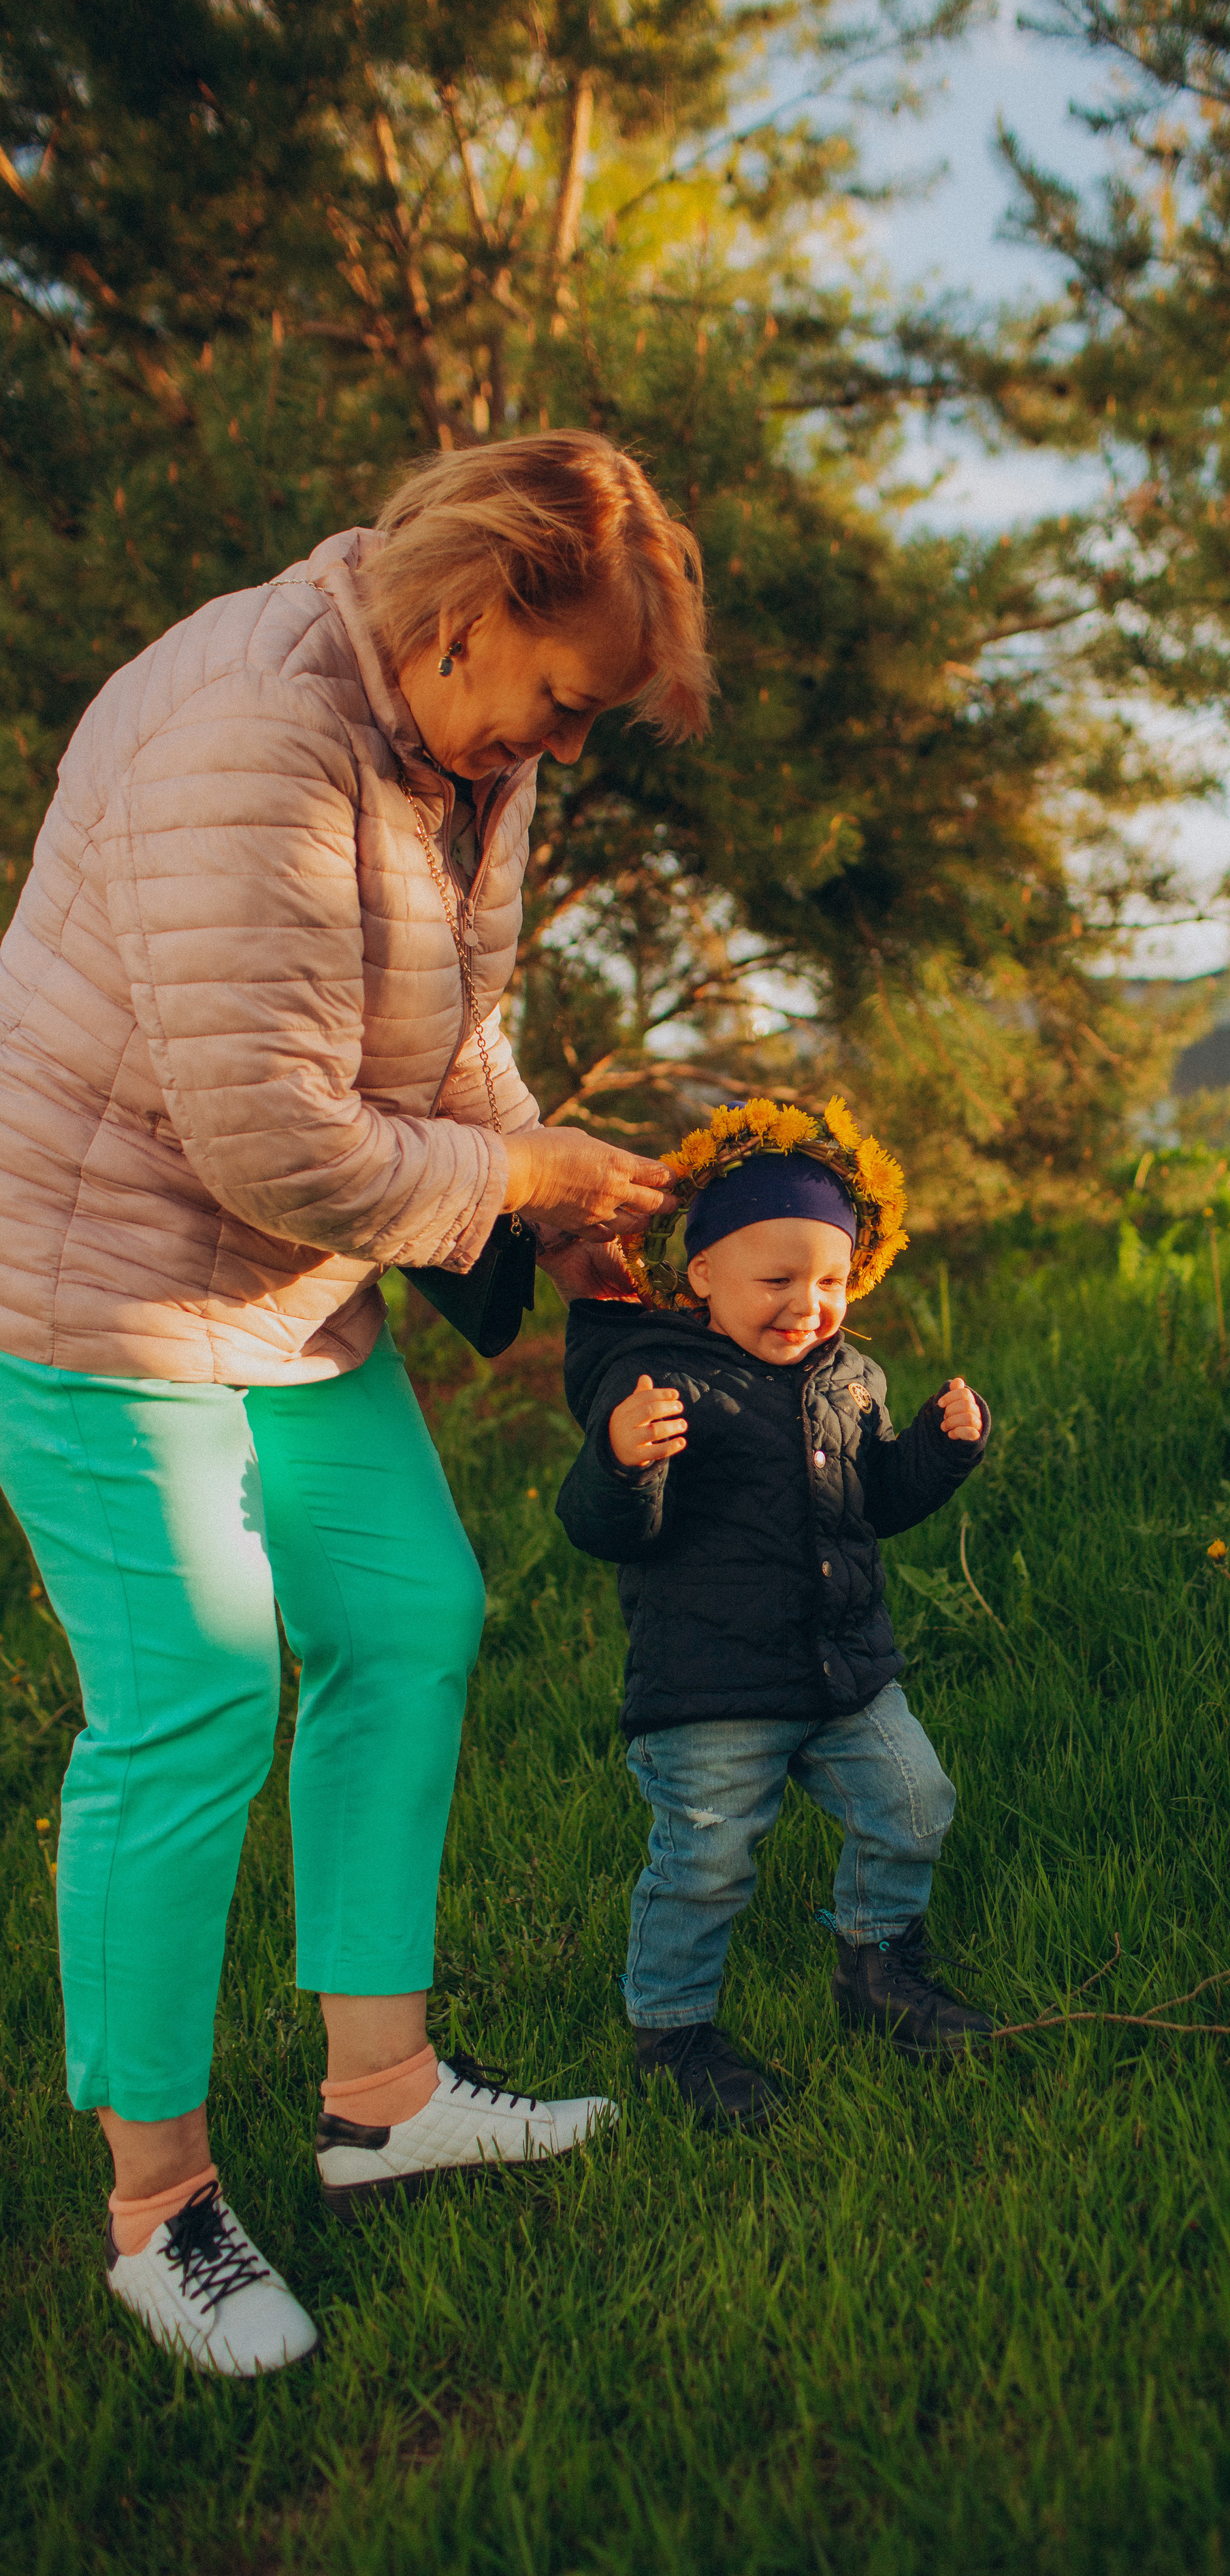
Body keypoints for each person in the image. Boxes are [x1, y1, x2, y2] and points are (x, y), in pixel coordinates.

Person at [0, 431, 711, 2375]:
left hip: (288, 1292)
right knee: (195, 1703)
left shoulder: (453, 737)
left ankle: (381, 2097)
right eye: (564, 703)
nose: (562, 749)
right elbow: (274, 1136)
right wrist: (515, 1185)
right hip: (98, 1294)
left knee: (408, 1617)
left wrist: (546, 1182)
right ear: (475, 614)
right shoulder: (256, 735)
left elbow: (450, 1022)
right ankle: (161, 2214)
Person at [554, 1107, 993, 2130]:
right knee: (705, 1858)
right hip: (710, 1691)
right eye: (777, 1281)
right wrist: (625, 1460)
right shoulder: (656, 1380)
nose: (809, 1305)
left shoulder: (852, 1379)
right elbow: (604, 1528)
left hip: (845, 1674)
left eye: (832, 1282)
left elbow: (874, 1502)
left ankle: (880, 1969)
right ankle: (674, 2033)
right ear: (701, 1273)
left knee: (917, 1805)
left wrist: (940, 1450)